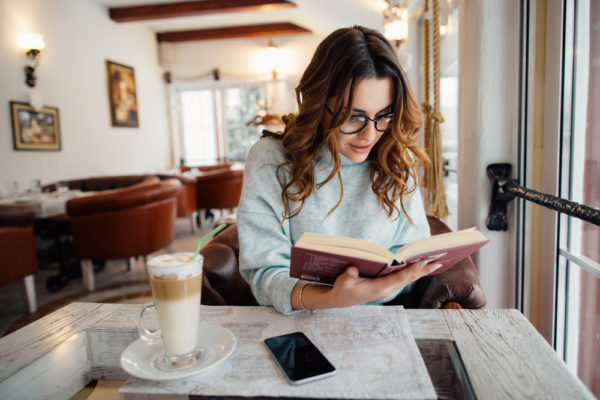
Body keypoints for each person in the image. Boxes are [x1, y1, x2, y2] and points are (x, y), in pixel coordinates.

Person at [237, 25, 441, 315]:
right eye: (354, 117)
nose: (369, 135)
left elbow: (411, 254)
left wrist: (399, 280)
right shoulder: (271, 160)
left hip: (382, 320)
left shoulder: (396, 158)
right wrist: (332, 298)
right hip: (299, 323)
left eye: (383, 116)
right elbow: (265, 273)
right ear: (320, 104)